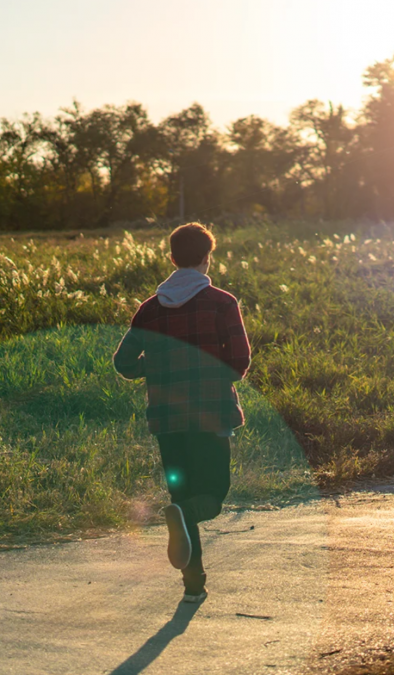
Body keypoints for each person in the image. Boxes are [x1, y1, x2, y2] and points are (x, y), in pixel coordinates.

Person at [113, 222, 251, 603]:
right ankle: (185, 531)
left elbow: (123, 362)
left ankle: (194, 584)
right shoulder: (222, 302)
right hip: (212, 414)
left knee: (182, 496)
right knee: (213, 494)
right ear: (208, 258)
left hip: (167, 420)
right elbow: (240, 359)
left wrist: (155, 368)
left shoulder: (149, 309)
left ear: (172, 259)